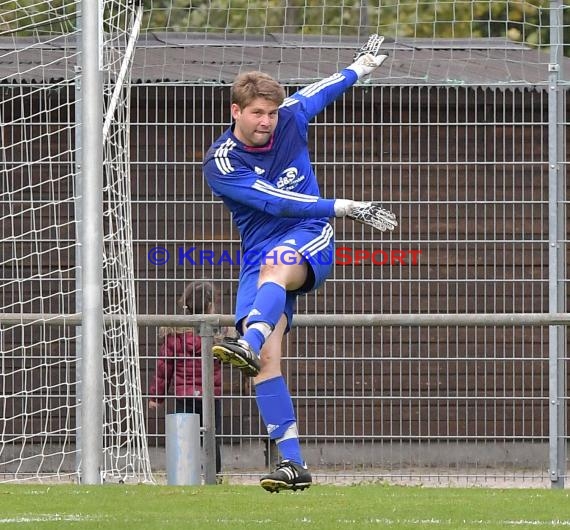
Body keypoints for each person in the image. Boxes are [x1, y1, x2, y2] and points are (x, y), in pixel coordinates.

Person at [202, 35, 396, 492]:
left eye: (272, 112)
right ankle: (293, 464)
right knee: (267, 361)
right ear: (236, 111)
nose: (268, 121)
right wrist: (345, 206)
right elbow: (274, 203)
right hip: (268, 246)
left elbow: (319, 91)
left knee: (274, 274)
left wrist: (359, 68)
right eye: (257, 113)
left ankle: (246, 339)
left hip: (310, 235)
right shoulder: (221, 163)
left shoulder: (289, 118)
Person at [148, 281, 223, 475]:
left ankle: (186, 474)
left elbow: (164, 367)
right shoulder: (217, 334)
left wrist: (156, 397)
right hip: (210, 395)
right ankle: (213, 474)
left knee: (185, 437)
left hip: (184, 395)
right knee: (212, 438)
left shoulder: (175, 334)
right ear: (210, 305)